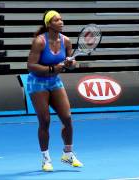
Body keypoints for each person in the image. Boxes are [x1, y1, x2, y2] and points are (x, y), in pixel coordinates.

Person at [27, 10, 83, 172]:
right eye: (57, 20)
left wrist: (71, 64)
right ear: (49, 24)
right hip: (37, 83)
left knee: (67, 118)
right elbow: (31, 65)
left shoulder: (66, 41)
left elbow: (71, 62)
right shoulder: (39, 41)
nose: (61, 22)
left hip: (55, 82)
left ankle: (68, 153)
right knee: (45, 121)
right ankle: (45, 158)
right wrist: (52, 68)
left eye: (61, 19)